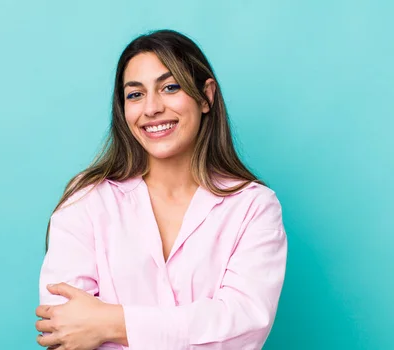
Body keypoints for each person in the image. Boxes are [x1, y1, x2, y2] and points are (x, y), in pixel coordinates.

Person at [35, 29, 288, 350]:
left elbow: (243, 327)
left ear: (206, 96)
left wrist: (111, 323)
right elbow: (64, 327)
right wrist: (195, 328)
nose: (151, 108)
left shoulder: (254, 207)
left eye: (170, 87)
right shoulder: (86, 198)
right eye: (135, 94)